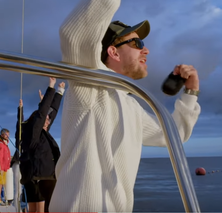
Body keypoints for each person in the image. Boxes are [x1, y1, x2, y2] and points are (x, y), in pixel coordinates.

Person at [49, 0, 201, 212]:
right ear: (113, 52)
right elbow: (75, 35)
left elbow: (174, 135)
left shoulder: (131, 105)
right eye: (137, 44)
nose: (146, 50)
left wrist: (191, 92)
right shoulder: (89, 83)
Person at [20, 77, 65, 212]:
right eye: (45, 119)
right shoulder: (35, 135)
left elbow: (52, 112)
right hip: (42, 178)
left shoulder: (43, 134)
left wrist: (60, 91)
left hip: (47, 176)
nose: (48, 120)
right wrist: (51, 87)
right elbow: (42, 114)